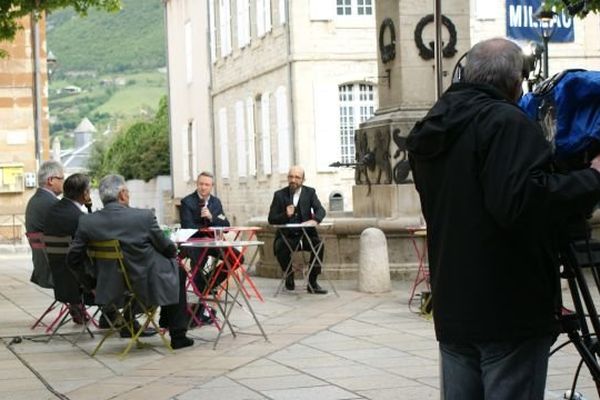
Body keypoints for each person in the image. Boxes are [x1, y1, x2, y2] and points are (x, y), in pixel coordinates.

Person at [406, 37, 600, 399]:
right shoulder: (506, 122)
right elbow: (523, 203)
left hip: (455, 309)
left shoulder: (435, 125)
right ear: (515, 82)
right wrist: (592, 178)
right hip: (509, 309)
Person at [67, 174, 194, 349]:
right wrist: (171, 253)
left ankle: (139, 321)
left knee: (166, 271)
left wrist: (90, 283)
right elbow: (168, 248)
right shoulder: (144, 217)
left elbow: (73, 258)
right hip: (144, 285)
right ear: (123, 194)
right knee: (177, 270)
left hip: (108, 286)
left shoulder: (88, 221)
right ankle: (178, 334)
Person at [43, 173, 94, 324]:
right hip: (80, 280)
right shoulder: (79, 217)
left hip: (60, 277)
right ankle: (110, 313)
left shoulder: (52, 212)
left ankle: (82, 308)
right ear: (85, 193)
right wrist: (89, 208)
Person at [268, 165, 328, 294]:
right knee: (280, 247)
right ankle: (289, 275)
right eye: (291, 177)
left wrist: (315, 220)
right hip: (287, 236)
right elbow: (271, 218)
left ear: (303, 180)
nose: (293, 180)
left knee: (319, 245)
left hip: (306, 235)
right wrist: (285, 215)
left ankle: (312, 282)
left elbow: (321, 210)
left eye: (297, 177)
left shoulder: (310, 192)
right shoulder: (279, 195)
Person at [180, 171, 240, 298]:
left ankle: (208, 283)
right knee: (198, 259)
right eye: (201, 184)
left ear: (211, 186)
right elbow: (187, 226)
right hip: (195, 243)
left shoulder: (216, 202)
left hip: (214, 242)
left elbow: (226, 225)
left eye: (207, 185)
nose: (203, 187)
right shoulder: (187, 202)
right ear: (197, 184)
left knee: (237, 258)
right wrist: (205, 230)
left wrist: (211, 218)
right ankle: (200, 285)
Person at [25, 160, 64, 289]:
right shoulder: (53, 204)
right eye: (61, 178)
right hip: (58, 271)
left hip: (42, 268)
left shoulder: (34, 201)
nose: (63, 182)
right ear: (51, 180)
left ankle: (76, 307)